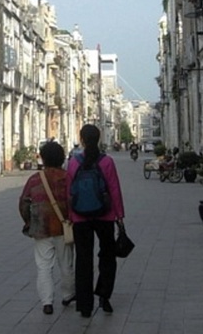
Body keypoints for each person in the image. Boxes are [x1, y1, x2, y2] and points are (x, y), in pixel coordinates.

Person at [67, 124, 125, 318]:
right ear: (99, 139)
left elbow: (69, 191)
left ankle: (85, 305)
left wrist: (69, 215)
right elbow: (114, 189)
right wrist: (119, 216)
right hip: (105, 215)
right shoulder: (106, 161)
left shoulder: (74, 162)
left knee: (83, 259)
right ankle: (104, 296)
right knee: (107, 256)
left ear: (81, 140)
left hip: (80, 216)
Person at [18, 140, 75, 316]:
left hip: (41, 228)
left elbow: (23, 203)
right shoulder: (67, 178)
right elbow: (73, 200)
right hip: (62, 227)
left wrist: (29, 221)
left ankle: (47, 302)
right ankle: (67, 295)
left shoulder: (35, 179)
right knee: (66, 264)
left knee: (43, 266)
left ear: (43, 158)